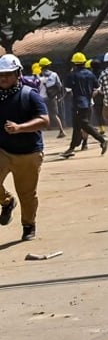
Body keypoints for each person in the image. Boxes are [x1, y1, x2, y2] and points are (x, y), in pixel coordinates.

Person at [0, 55, 49, 242]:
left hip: (28, 152)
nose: (3, 78)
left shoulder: (29, 94)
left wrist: (20, 128)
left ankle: (29, 225)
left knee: (27, 194)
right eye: (0, 75)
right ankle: (7, 202)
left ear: (18, 74)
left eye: (8, 74)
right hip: (2, 149)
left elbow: (44, 120)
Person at [60, 53, 108, 159]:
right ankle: (71, 148)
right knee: (77, 126)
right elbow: (97, 88)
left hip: (78, 103)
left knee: (83, 124)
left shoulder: (72, 75)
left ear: (74, 63)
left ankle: (102, 140)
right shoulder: (90, 74)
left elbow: (68, 90)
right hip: (88, 102)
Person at [38, 58, 66, 138]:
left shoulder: (38, 75)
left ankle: (41, 131)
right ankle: (61, 131)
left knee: (41, 114)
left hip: (41, 98)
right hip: (52, 97)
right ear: (49, 65)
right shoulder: (54, 74)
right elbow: (59, 86)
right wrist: (59, 96)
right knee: (54, 115)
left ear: (41, 66)